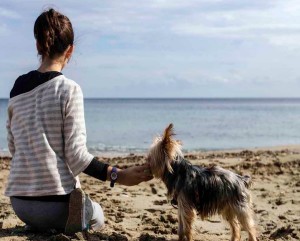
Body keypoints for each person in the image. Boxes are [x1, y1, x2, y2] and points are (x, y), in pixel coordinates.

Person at [5, 8, 153, 234]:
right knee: (98, 215)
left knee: (57, 213)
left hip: (20, 203)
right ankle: (63, 221)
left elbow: (14, 147)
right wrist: (119, 175)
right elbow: (76, 156)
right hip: (57, 205)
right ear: (70, 50)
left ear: (38, 46)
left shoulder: (16, 89)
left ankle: (39, 223)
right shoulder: (68, 89)